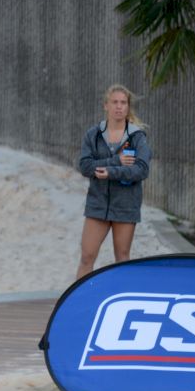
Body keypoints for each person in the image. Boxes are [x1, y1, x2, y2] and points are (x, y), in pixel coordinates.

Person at [76, 85, 152, 278]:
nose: (119, 107)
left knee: (122, 258)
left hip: (126, 206)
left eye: (123, 103)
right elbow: (85, 166)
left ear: (128, 107)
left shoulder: (137, 137)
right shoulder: (93, 135)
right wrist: (115, 162)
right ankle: (78, 303)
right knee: (87, 257)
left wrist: (111, 172)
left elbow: (141, 170)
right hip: (97, 204)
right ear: (106, 106)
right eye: (114, 102)